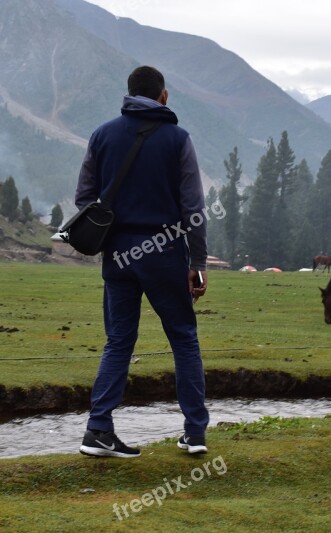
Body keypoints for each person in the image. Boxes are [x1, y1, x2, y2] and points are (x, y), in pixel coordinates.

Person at [75, 66, 209, 458]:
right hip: (165, 251)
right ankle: (195, 434)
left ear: (129, 94)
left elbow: (84, 198)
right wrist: (197, 261)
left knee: (118, 341)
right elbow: (194, 208)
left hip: (118, 253)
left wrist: (112, 232)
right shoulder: (178, 139)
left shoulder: (102, 135)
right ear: (163, 96)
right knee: (183, 338)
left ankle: (98, 431)